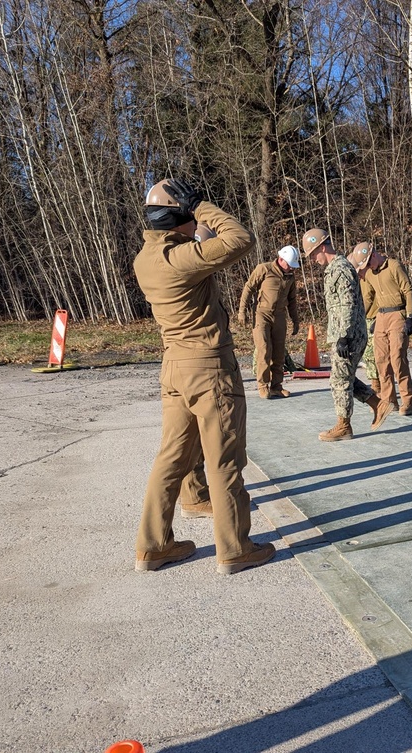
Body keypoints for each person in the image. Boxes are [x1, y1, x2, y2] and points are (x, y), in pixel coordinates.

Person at [133, 177, 275, 574]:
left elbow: (191, 253)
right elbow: (240, 238)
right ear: (179, 219)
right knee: (224, 460)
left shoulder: (146, 259)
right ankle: (235, 548)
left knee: (171, 458)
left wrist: (194, 229)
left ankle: (153, 545)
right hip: (208, 367)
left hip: (174, 367)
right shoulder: (181, 258)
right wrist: (201, 205)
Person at [301, 228, 392, 441]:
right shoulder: (336, 268)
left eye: (313, 254)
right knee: (343, 377)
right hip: (348, 333)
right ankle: (377, 404)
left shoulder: (340, 269)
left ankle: (344, 426)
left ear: (323, 247)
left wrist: (343, 336)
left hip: (348, 335)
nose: (313, 259)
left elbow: (347, 304)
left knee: (340, 380)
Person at [347, 242, 412, 415]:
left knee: (397, 360)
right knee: (381, 362)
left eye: (368, 263)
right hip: (381, 317)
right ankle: (389, 400)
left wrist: (410, 316)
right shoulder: (370, 274)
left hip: (397, 315)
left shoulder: (394, 266)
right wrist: (359, 318)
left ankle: (407, 400)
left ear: (374, 255)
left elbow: (408, 289)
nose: (368, 267)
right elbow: (369, 298)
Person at [237, 245, 301, 399]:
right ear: (281, 260)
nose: (292, 269)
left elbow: (292, 300)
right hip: (261, 314)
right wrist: (242, 311)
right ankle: (262, 385)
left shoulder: (290, 277)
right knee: (264, 349)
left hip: (279, 316)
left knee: (279, 353)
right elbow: (248, 288)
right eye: (289, 265)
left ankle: (276, 387)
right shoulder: (264, 269)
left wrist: (295, 319)